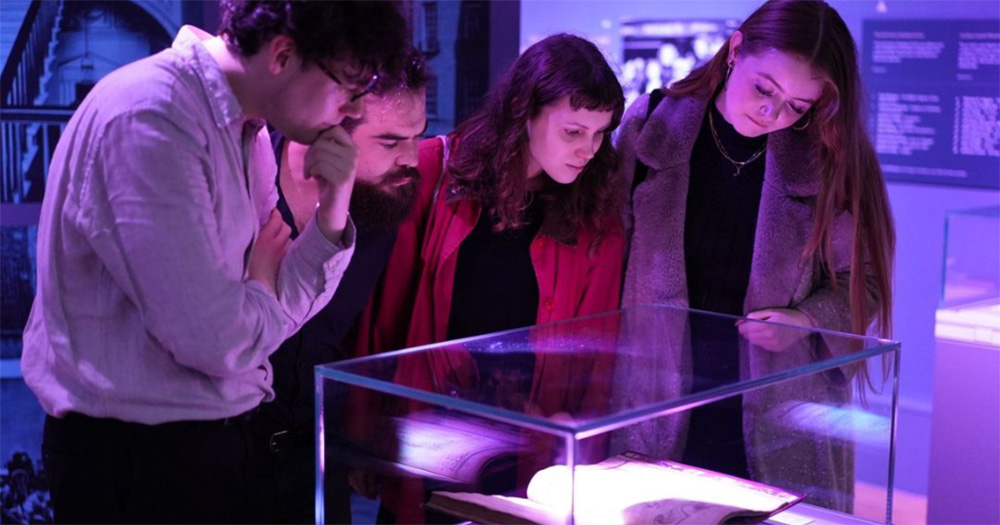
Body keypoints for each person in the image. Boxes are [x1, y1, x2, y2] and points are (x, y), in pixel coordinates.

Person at [20, 1, 409, 523]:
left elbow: (271, 307)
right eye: (349, 86)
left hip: (207, 444)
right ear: (282, 54)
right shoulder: (152, 115)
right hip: (138, 458)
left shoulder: (243, 125)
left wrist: (332, 206)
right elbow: (217, 342)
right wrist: (260, 285)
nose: (356, 111)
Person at [614, 0, 895, 512]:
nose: (772, 113)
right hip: (655, 404)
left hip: (780, 420)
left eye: (797, 106)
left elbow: (866, 281)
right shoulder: (650, 127)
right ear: (736, 50)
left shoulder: (828, 159)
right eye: (765, 88)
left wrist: (806, 319)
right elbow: (602, 256)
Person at [354, 33, 627, 524]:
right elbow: (386, 310)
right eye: (573, 131)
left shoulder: (595, 217)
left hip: (531, 449)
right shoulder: (438, 171)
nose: (588, 150)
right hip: (431, 435)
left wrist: (585, 445)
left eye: (599, 133)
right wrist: (362, 430)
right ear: (525, 112)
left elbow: (599, 347)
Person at [248, 48, 430, 525]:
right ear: (329, 130)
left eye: (419, 137)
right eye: (391, 142)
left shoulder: (381, 206)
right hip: (216, 460)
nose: (412, 159)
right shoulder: (244, 178)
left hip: (313, 466)